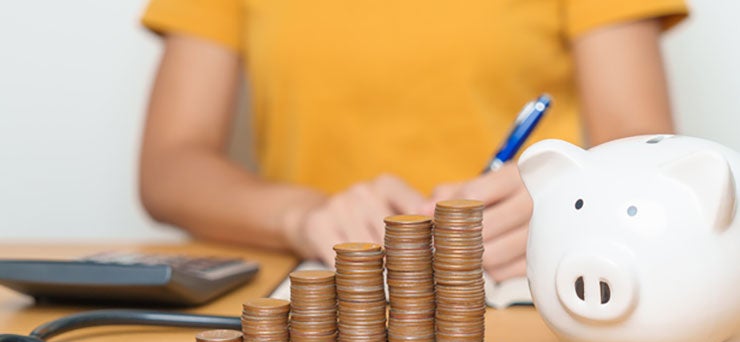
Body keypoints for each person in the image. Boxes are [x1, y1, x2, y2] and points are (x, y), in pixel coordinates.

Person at [138, 0, 687, 282]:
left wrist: (567, 203)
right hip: (318, 283)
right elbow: (170, 167)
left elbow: (646, 147)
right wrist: (300, 216)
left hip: (525, 277)